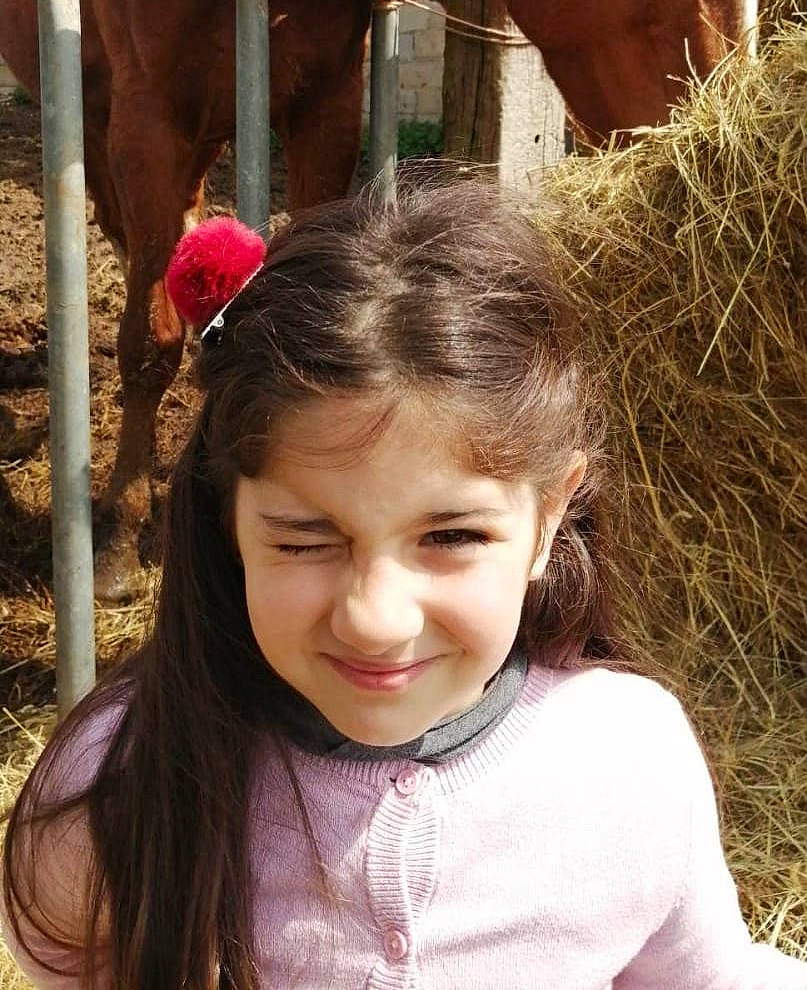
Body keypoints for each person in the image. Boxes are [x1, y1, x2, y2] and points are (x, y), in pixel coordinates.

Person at [2, 175, 804, 990]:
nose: (376, 619)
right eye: (306, 540)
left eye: (451, 536)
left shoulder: (630, 757)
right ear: (226, 520)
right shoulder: (114, 787)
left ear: (549, 518)